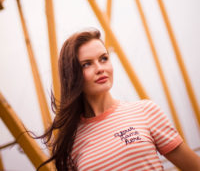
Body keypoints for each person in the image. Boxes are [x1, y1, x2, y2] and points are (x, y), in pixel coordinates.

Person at [38, 28, 200, 171]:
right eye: (87, 64)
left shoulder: (145, 111)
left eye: (103, 58)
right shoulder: (72, 141)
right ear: (72, 74)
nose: (100, 69)